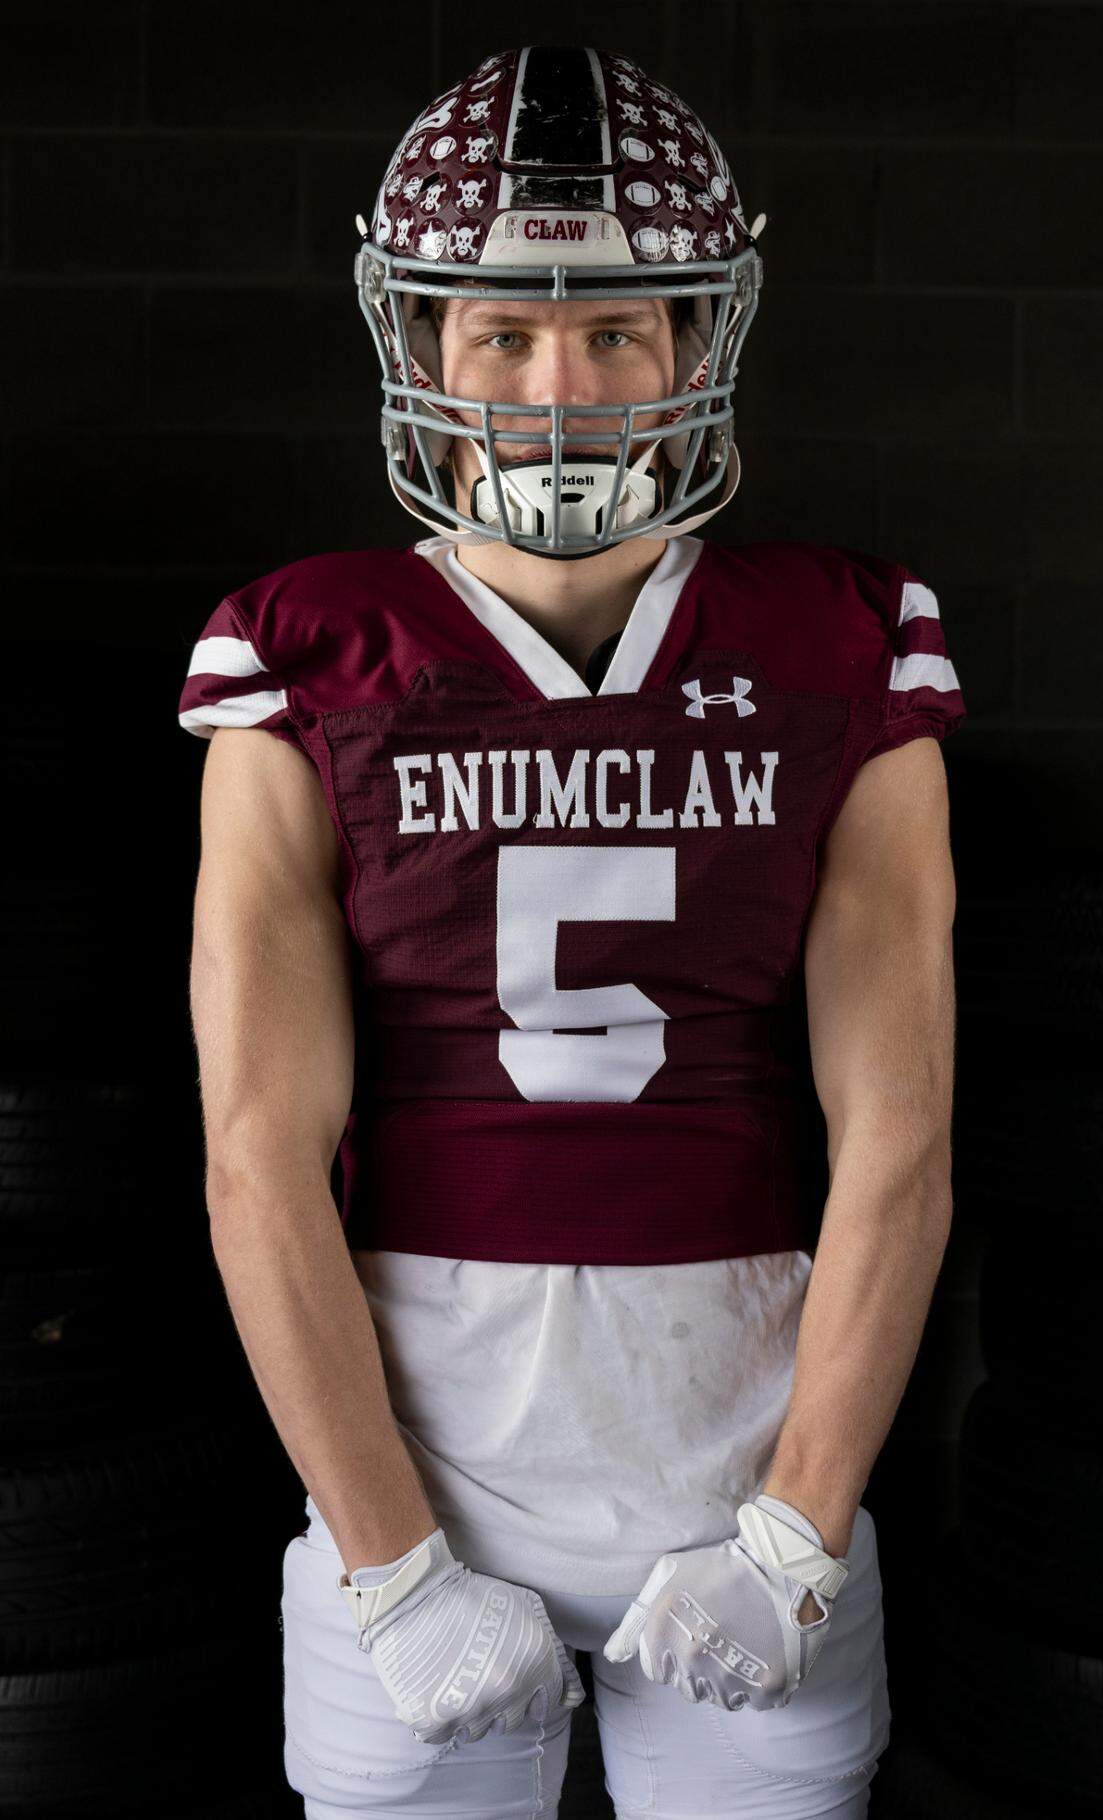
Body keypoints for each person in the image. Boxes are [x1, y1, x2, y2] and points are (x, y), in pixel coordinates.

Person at [180, 44, 966, 1820]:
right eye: (505, 336)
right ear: (423, 344)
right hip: (412, 1502)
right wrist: (395, 1569)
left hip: (762, 1481)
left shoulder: (842, 643)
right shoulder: (308, 656)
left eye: (616, 330)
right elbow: (255, 1160)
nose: (561, 387)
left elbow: (901, 1138)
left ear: (696, 345)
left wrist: (796, 1532)